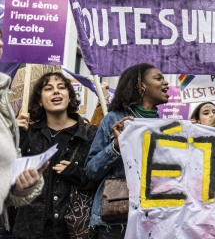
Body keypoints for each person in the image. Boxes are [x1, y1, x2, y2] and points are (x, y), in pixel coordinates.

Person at [85, 63, 169, 239]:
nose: (166, 83)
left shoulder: (168, 128)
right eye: (158, 78)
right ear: (141, 85)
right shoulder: (114, 119)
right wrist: (116, 146)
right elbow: (91, 170)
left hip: (153, 220)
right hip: (116, 221)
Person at [12, 72, 98, 239]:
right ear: (39, 100)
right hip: (30, 230)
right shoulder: (28, 133)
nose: (56, 92)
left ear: (70, 95)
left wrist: (76, 173)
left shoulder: (90, 135)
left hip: (72, 230)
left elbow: (101, 180)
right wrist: (10, 134)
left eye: (61, 87)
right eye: (48, 88)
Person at [0, 27, 45, 235]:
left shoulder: (3, 107)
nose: (1, 45)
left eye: (1, 39)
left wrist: (23, 185)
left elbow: (7, 188)